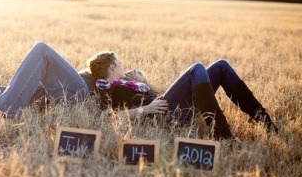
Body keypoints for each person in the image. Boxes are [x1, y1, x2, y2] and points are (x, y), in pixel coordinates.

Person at [88, 52, 278, 140]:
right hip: (165, 116)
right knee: (196, 68)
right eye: (119, 63)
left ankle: (264, 119)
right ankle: (222, 132)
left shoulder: (126, 82)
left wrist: (144, 82)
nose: (123, 66)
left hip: (171, 107)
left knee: (221, 66)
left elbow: (148, 94)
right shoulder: (108, 88)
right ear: (111, 67)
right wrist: (145, 109)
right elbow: (107, 115)